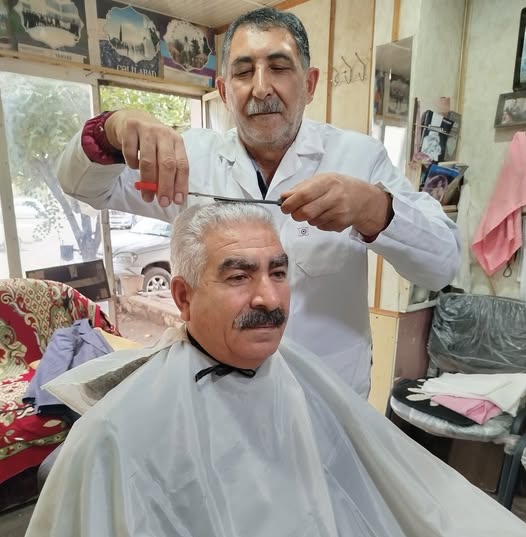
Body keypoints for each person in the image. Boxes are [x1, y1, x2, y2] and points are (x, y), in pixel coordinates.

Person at [25, 203, 524, 537]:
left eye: (278, 272)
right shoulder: (114, 433)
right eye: (239, 276)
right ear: (183, 297)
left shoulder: (299, 376)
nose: (268, 297)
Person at [56, 7, 460, 397]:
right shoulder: (188, 158)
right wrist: (110, 129)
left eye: (280, 68)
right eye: (244, 71)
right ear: (223, 91)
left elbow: (442, 265)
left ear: (310, 84)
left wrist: (373, 209)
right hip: (219, 396)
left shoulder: (359, 157)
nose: (262, 88)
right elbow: (82, 186)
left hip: (328, 397)